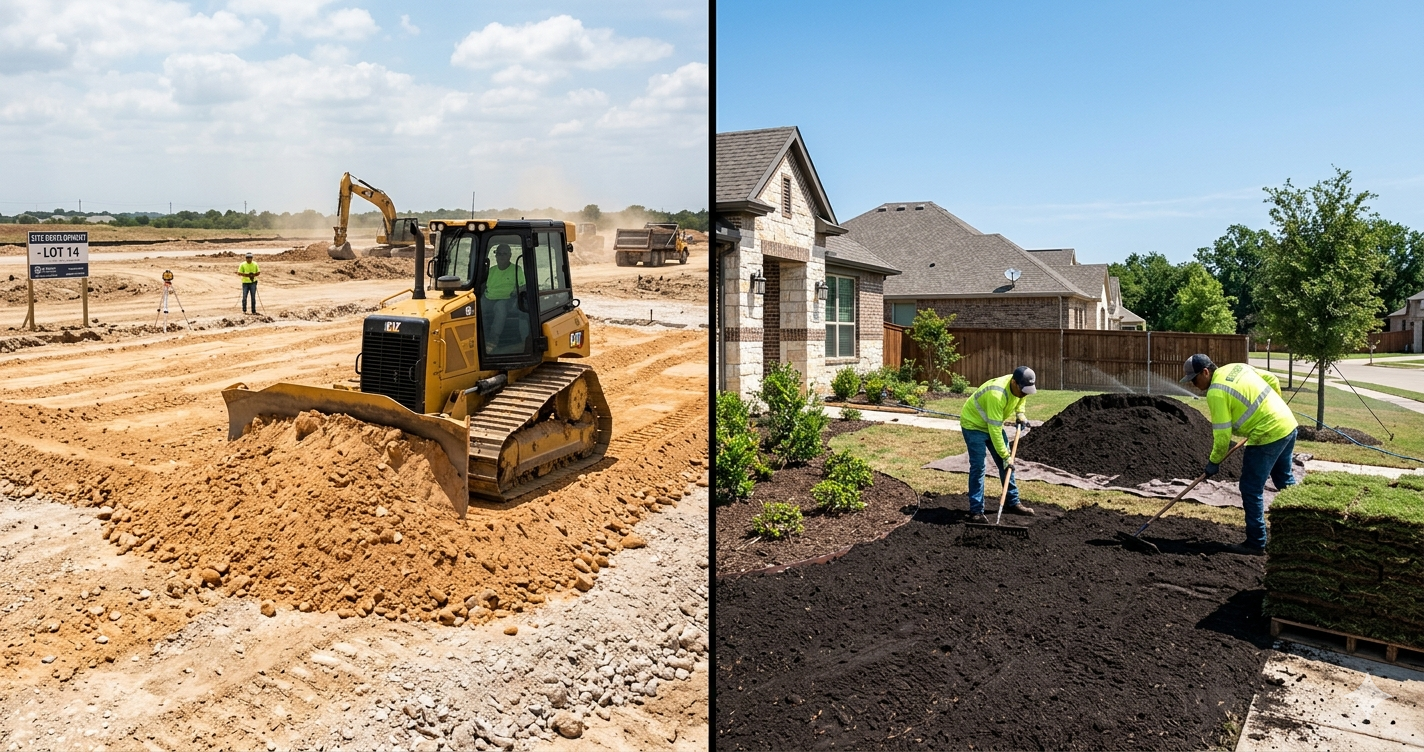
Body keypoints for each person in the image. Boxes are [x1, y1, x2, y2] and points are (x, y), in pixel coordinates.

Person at [1181, 354, 1298, 556]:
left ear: (1206, 372)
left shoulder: (1216, 393)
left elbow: (1223, 436)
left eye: (1194, 378)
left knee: (1250, 488)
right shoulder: (1236, 367)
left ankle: (1256, 542)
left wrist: (1213, 462)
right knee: (1283, 478)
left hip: (1267, 434)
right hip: (1287, 424)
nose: (1193, 384)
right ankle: (1305, 525)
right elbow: (1273, 380)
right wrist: (1274, 407)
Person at [960, 366, 1038, 523]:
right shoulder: (997, 394)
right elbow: (995, 431)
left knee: (1005, 464)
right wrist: (1006, 456)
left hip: (992, 424)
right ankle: (976, 511)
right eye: (1023, 389)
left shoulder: (1020, 386)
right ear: (1014, 383)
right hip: (974, 426)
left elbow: (1021, 397)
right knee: (979, 466)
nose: (1024, 393)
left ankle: (1013, 502)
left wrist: (1020, 414)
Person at [481, 243, 525, 352]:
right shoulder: (491, 271)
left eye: (504, 254)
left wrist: (516, 293)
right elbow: (483, 285)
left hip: (507, 299)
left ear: (510, 255)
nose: (501, 256)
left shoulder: (516, 269)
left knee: (500, 308)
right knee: (476, 307)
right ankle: (481, 338)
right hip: (489, 298)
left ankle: (493, 339)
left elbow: (523, 286)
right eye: (499, 254)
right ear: (495, 256)